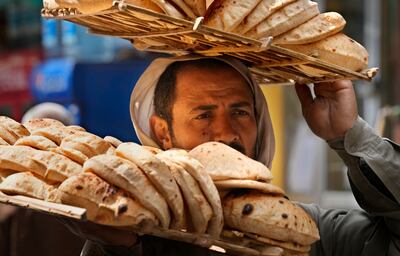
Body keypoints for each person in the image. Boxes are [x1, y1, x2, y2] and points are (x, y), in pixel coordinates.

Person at [76, 55, 400, 256]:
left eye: (241, 112)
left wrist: (348, 136)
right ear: (162, 131)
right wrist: (120, 249)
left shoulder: (306, 231)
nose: (227, 134)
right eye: (203, 116)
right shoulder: (132, 235)